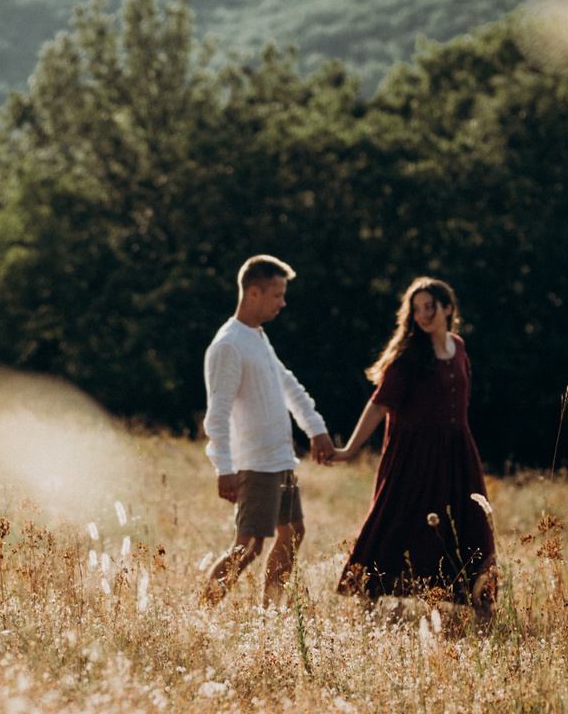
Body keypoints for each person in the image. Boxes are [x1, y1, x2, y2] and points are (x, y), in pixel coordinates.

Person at [334, 277, 497, 607]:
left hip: (457, 453)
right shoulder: (408, 355)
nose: (423, 315)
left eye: (429, 307)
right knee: (398, 522)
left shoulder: (459, 346)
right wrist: (350, 449)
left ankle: (478, 602)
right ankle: (367, 594)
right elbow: (379, 403)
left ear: (448, 308)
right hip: (413, 456)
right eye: (417, 309)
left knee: (469, 523)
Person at [199, 255, 338, 606]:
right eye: (277, 295)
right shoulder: (229, 344)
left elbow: (287, 385)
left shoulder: (256, 336)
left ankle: (271, 613)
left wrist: (316, 429)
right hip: (255, 464)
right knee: (247, 547)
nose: (283, 302)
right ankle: (201, 611)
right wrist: (224, 469)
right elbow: (218, 413)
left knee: (293, 534)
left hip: (280, 459)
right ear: (254, 292)